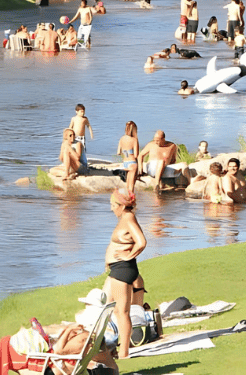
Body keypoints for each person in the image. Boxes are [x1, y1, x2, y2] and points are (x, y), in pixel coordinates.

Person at [104, 189, 146, 360]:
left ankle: (124, 351)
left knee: (122, 312)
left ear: (122, 206)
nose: (112, 209)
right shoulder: (124, 218)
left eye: (113, 206)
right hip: (118, 268)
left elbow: (142, 241)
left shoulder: (128, 218)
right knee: (109, 306)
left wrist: (128, 256)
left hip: (123, 268)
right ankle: (115, 344)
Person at [117, 121, 140, 192]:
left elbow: (118, 152)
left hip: (125, 163)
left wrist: (126, 153)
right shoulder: (134, 140)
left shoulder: (122, 139)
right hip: (132, 162)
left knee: (127, 184)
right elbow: (136, 155)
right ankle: (131, 200)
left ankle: (127, 198)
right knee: (131, 185)